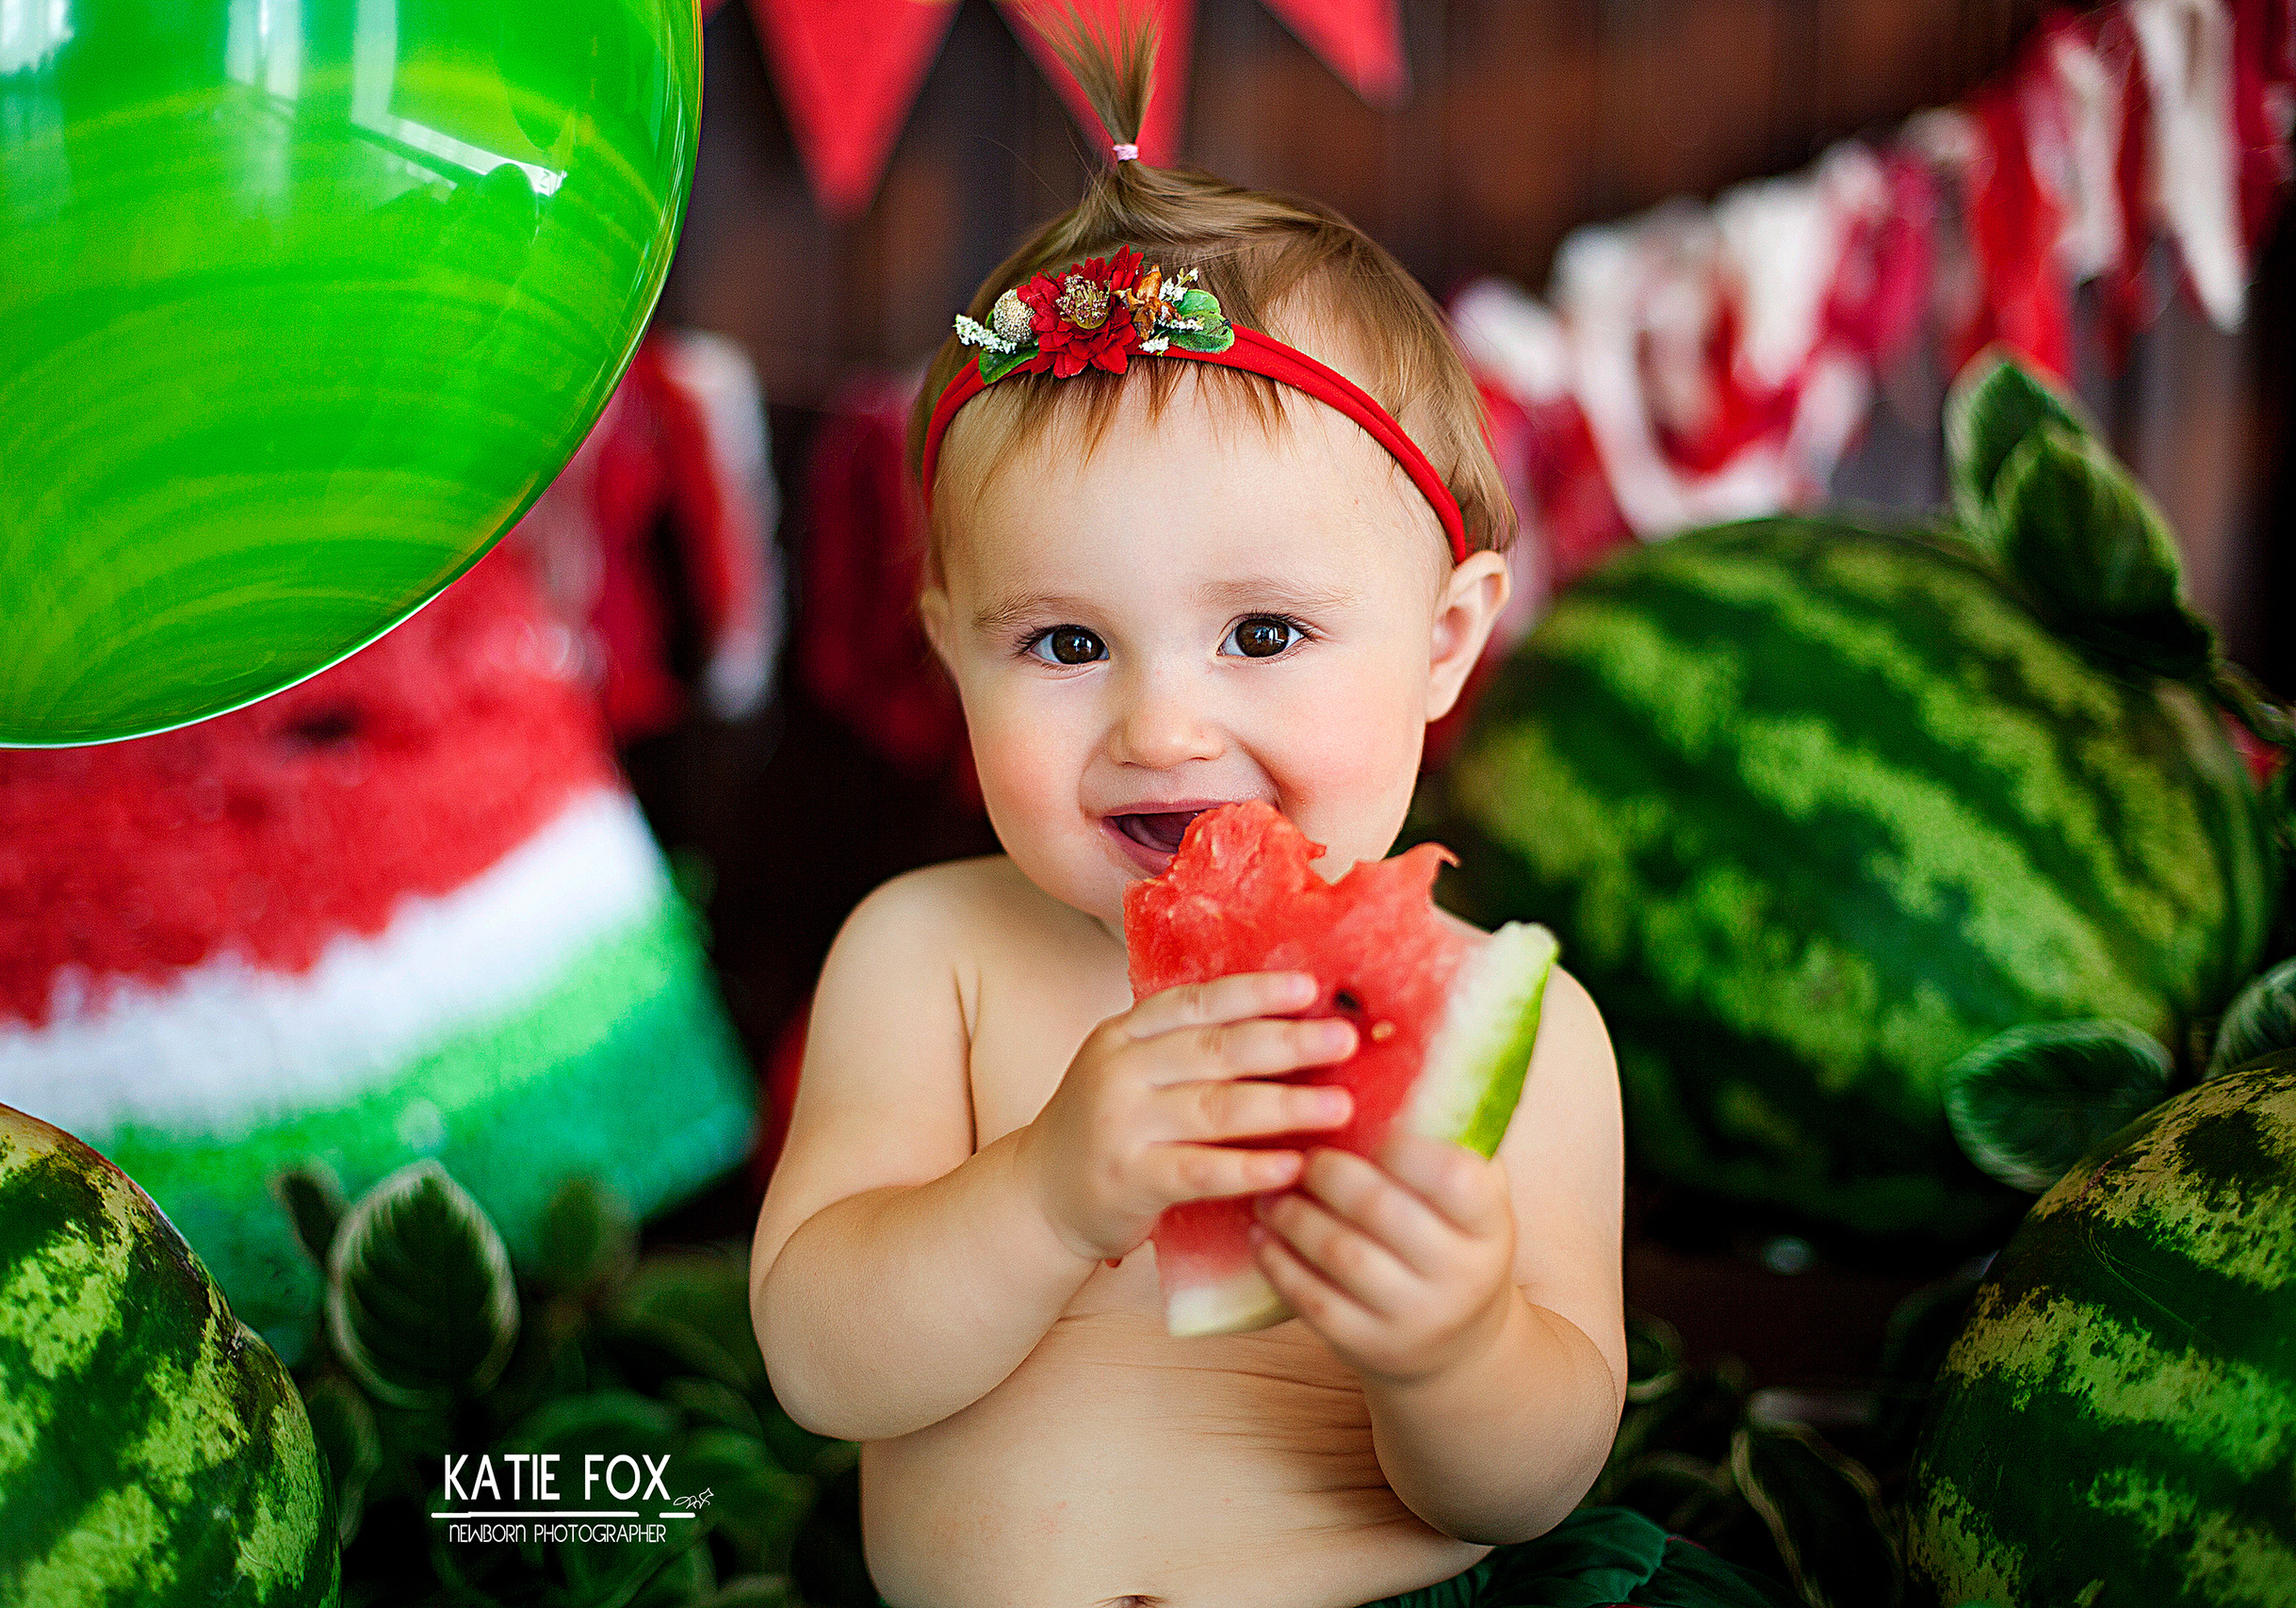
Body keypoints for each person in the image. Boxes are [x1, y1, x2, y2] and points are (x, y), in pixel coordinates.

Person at [749, 22, 1797, 1608]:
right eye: (1065, 644)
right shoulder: (926, 959)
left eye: (1262, 634)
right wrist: (1043, 1191)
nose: (1162, 729)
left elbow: (1527, 1484)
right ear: (948, 644)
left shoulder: (1531, 1030)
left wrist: (1456, 1348)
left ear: (1446, 642)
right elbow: (825, 1366)